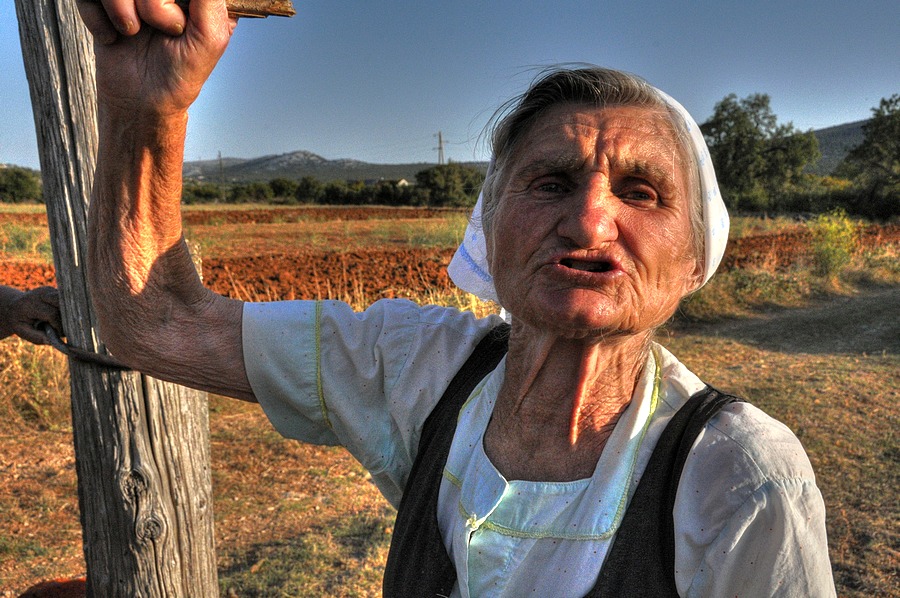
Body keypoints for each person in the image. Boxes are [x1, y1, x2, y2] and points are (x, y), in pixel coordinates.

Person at [77, 1, 836, 595]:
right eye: (550, 183)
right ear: (489, 229)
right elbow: (159, 323)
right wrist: (148, 111)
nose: (589, 220)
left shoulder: (740, 476)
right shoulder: (421, 369)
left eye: (641, 192)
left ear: (694, 258)